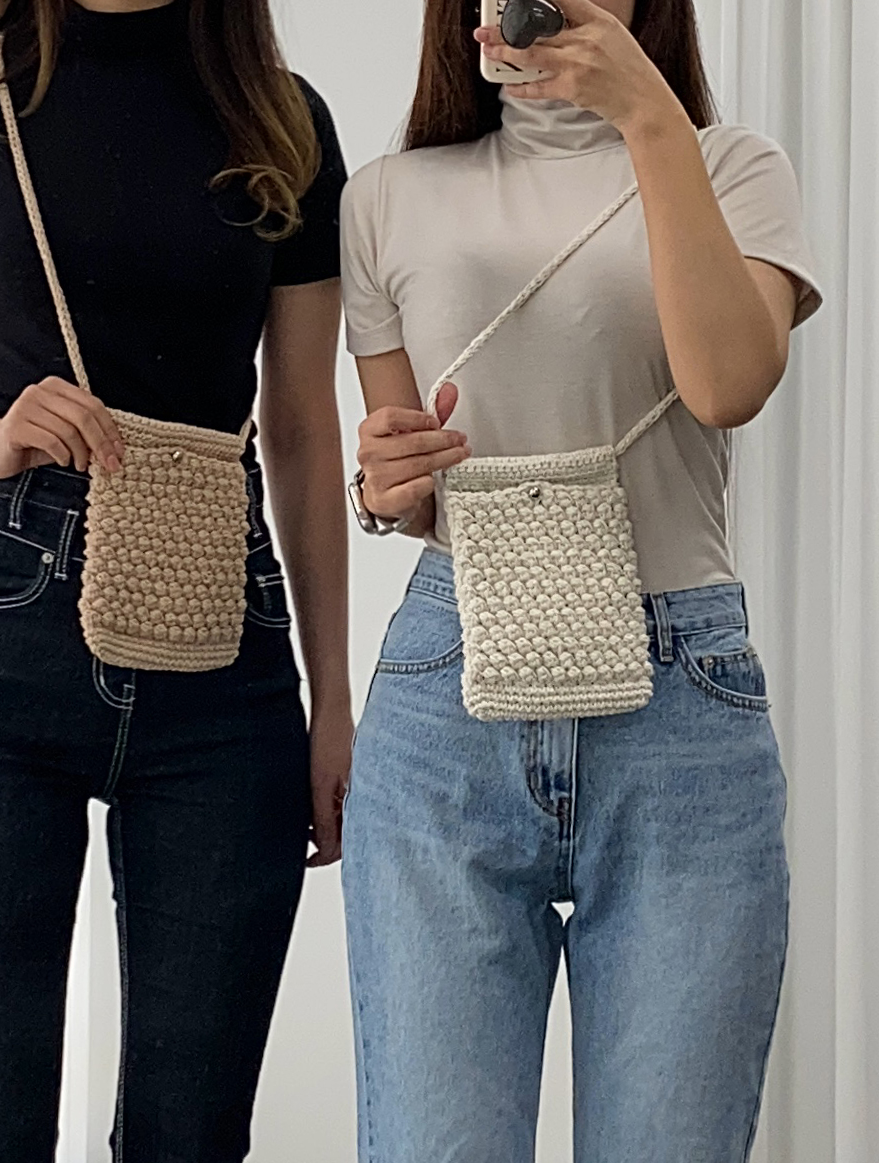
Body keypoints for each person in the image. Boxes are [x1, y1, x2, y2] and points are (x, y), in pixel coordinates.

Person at [0, 1, 352, 1159]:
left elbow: (301, 426)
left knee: (193, 1132)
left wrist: (332, 703)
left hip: (223, 644)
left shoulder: (283, 120)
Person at [339, 0, 822, 1159]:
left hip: (679, 703)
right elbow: (410, 482)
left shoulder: (731, 167)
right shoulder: (386, 195)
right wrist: (385, 483)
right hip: (448, 683)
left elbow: (726, 385)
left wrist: (647, 116)